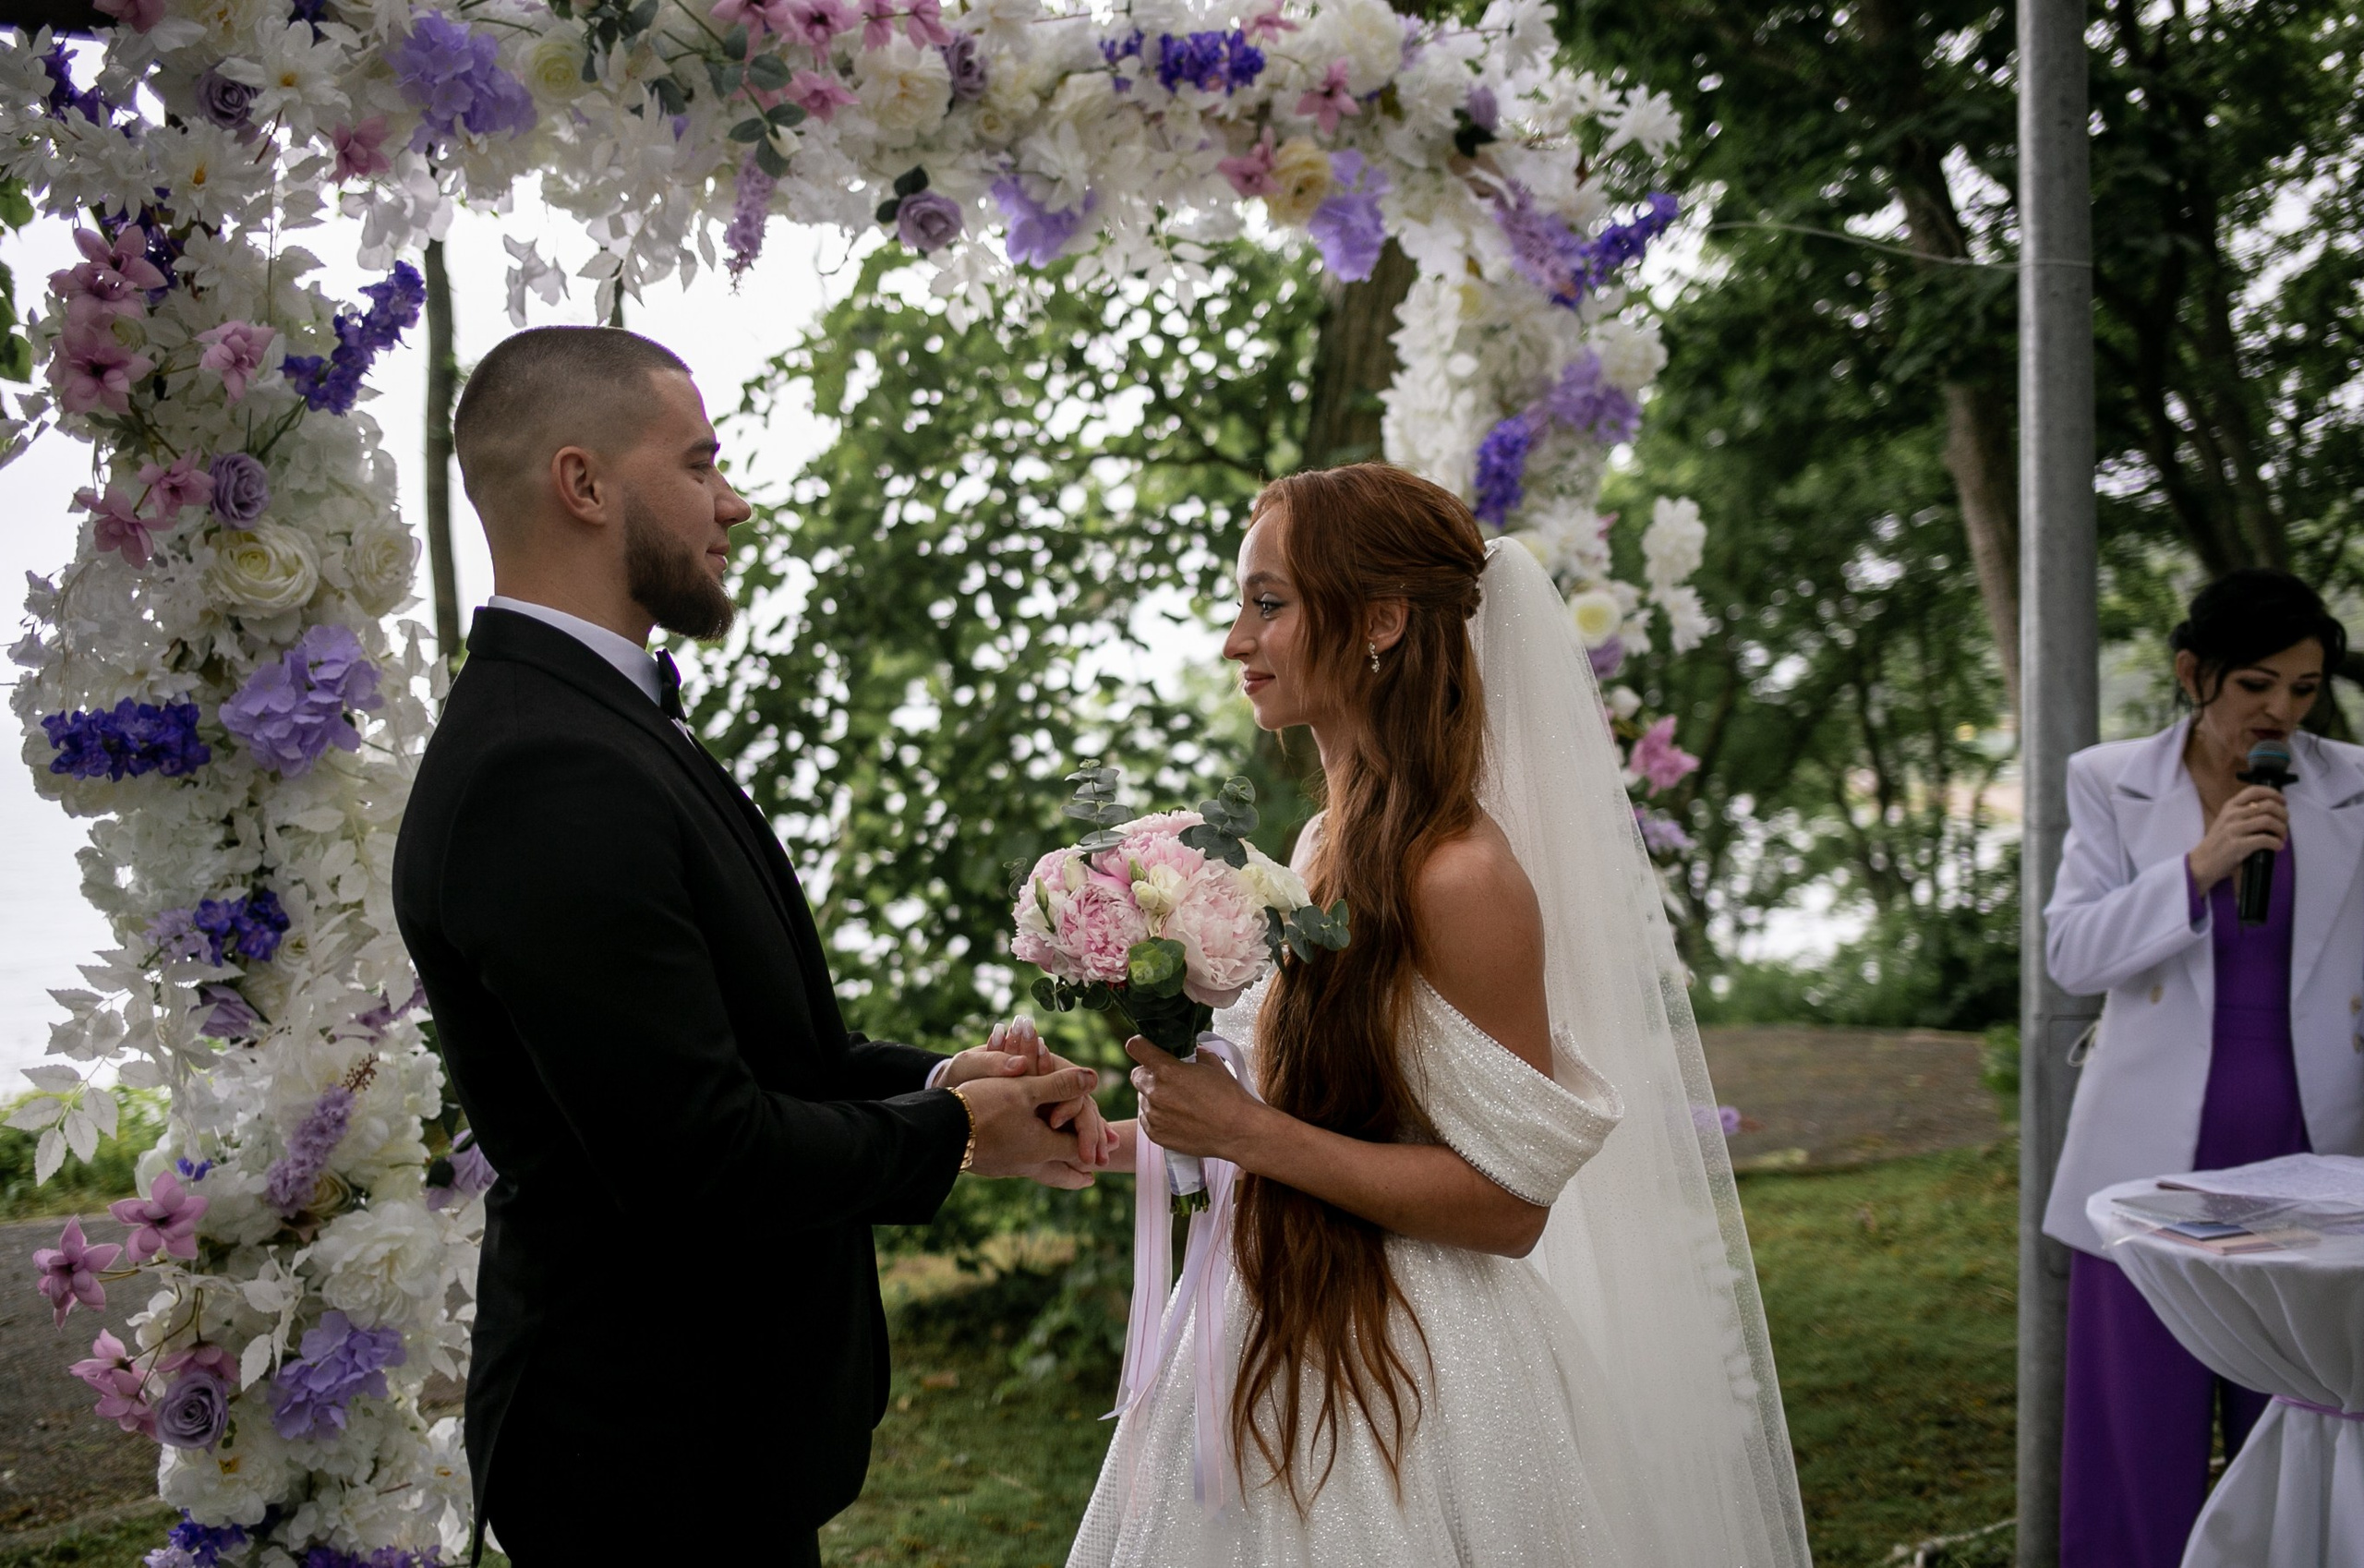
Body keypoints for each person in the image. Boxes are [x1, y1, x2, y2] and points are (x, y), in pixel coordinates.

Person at [391, 327, 1106, 1566]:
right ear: (584, 484)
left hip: (711, 1438)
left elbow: (751, 1049)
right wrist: (953, 1136)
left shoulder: (599, 720)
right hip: (638, 1459)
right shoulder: (540, 767)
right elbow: (699, 1154)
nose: (735, 501)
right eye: (700, 462)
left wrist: (946, 1080)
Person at [1062, 464, 1811, 1567]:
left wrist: (1251, 1135)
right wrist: (1105, 1138)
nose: (1235, 640)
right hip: (1266, 1322)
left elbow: (1507, 1207)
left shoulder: (1461, 877)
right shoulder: (1320, 846)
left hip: (1412, 1376)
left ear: (1380, 621)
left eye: (1268, 603)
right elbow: (1295, 1113)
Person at [2044, 568, 2364, 1568]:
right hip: (2146, 1157)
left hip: (2310, 1147)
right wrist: (2197, 868)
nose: (2280, 713)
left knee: (2298, 1422)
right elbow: (2071, 954)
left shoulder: (2356, 786)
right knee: (2137, 1438)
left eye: (2303, 689)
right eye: (2255, 685)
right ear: (2193, 674)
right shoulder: (2109, 779)